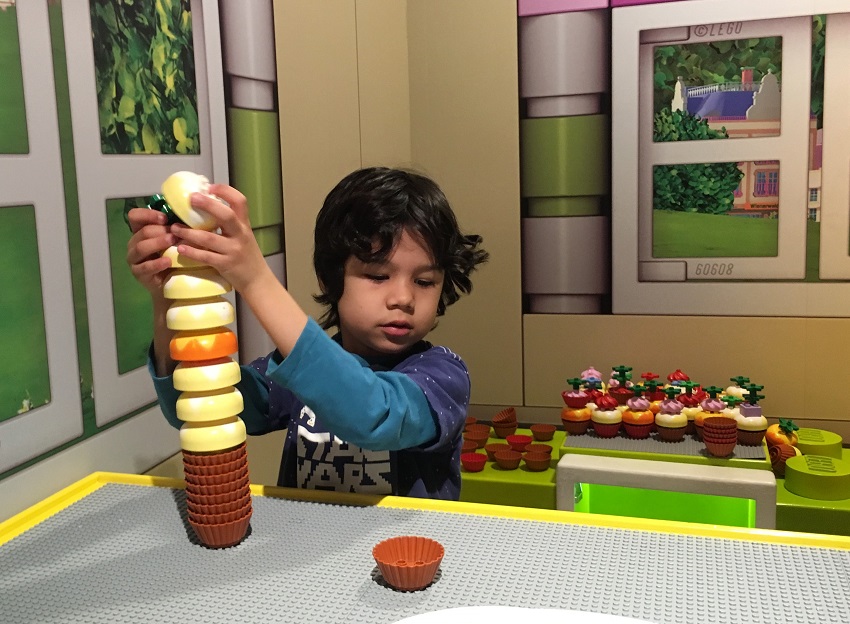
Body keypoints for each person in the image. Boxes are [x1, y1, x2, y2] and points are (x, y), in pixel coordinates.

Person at [126, 167, 488, 499]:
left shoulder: (442, 378)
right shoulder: (291, 370)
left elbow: (373, 414)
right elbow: (192, 404)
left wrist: (255, 279)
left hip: (404, 561)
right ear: (329, 279)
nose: (404, 298)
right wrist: (167, 297)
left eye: (425, 281)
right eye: (378, 276)